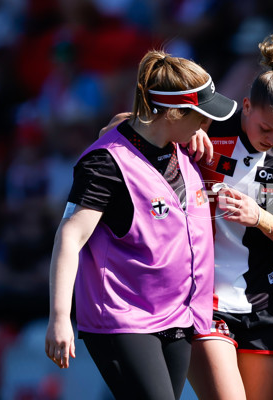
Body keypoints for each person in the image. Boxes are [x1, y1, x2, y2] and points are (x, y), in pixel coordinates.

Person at [44, 49, 237, 400]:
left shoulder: (179, 143)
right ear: (174, 113)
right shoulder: (104, 164)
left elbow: (137, 122)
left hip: (180, 316)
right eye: (202, 117)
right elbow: (70, 236)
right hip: (124, 318)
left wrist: (187, 131)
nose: (208, 125)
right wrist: (59, 316)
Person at [186, 31, 273, 400]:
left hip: (262, 302)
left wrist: (260, 217)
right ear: (245, 106)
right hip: (203, 296)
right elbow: (135, 123)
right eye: (266, 128)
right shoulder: (210, 123)